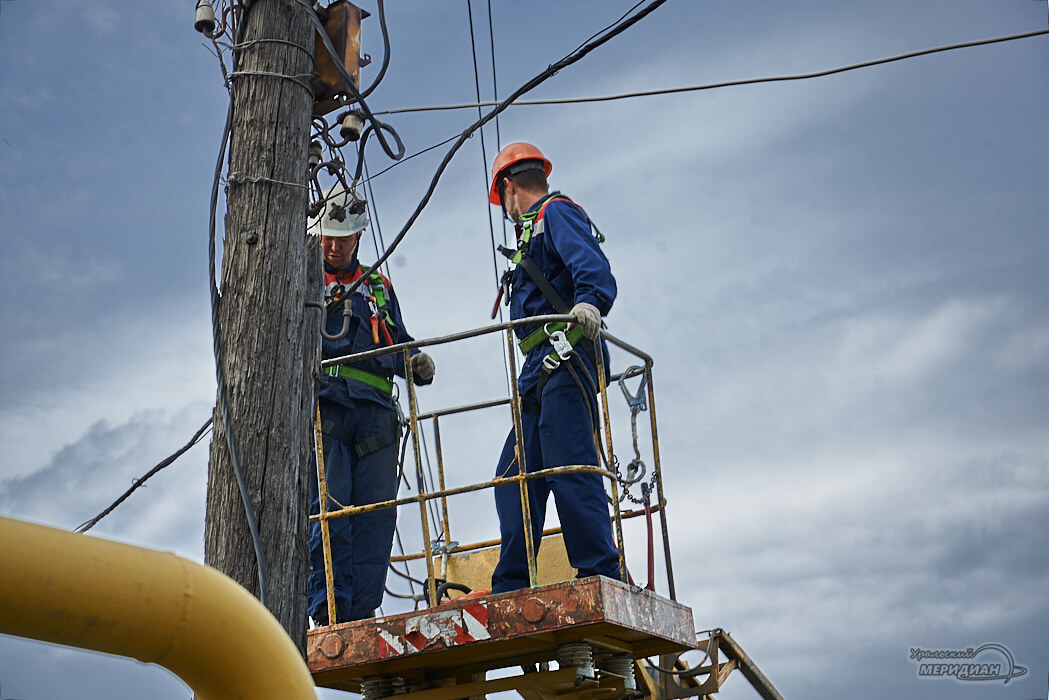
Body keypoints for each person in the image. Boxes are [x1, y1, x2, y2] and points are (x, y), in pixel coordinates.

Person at [487, 142, 622, 593]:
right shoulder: (532, 228)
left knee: (569, 466)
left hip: (567, 355)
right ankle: (511, 581)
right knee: (514, 476)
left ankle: (600, 570)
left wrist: (589, 302)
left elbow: (594, 270)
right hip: (537, 366)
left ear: (507, 186)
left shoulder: (556, 213)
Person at [307, 184, 435, 625]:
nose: (334, 245)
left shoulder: (377, 286)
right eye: (327, 235)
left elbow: (396, 339)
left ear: (359, 237)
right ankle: (330, 610)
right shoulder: (301, 279)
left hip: (377, 413)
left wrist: (413, 359)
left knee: (376, 516)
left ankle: (362, 611)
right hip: (329, 407)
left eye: (343, 238)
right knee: (331, 511)